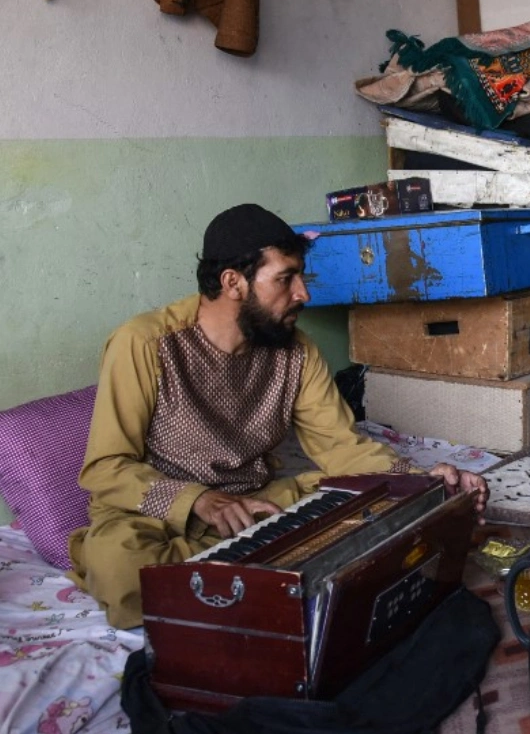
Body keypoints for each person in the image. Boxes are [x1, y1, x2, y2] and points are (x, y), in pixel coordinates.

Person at [68, 204, 490, 629]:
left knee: (363, 509)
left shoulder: (295, 351)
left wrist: (420, 480)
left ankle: (238, 568)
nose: (303, 293)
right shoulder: (145, 344)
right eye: (286, 279)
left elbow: (341, 445)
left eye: (300, 277)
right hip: (152, 513)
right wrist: (198, 501)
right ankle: (263, 564)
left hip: (256, 504)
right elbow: (105, 468)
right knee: (122, 569)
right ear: (233, 282)